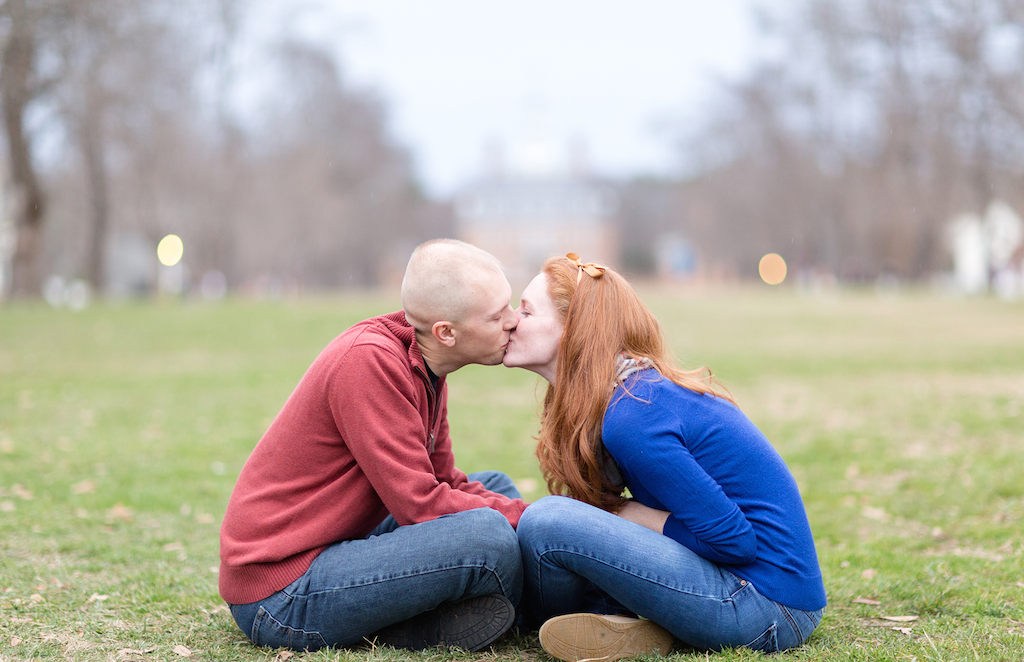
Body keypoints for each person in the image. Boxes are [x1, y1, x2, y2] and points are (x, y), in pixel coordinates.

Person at [503, 253, 826, 660]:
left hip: (767, 606)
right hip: (746, 588)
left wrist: (627, 513)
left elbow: (735, 543)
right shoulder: (625, 396)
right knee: (542, 513)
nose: (512, 319)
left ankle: (538, 619)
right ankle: (612, 622)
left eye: (527, 311)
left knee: (546, 521)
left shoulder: (633, 414)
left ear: (573, 331)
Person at [219, 239, 529, 653]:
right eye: (497, 315)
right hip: (281, 592)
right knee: (489, 535)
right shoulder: (369, 362)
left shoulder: (428, 366)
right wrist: (537, 518)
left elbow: (444, 481)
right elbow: (421, 506)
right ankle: (547, 610)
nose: (514, 322)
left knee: (496, 487)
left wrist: (524, 515)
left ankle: (428, 620)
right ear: (446, 332)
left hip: (338, 545)